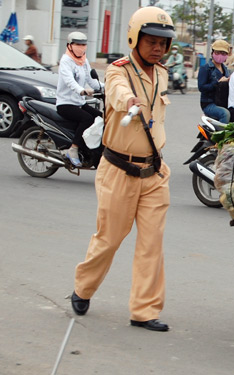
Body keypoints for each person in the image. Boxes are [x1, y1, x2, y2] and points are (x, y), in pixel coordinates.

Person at [70, 6, 176, 332]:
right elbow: (117, 91)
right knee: (109, 239)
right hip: (118, 170)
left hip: (154, 172)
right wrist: (129, 101)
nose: (158, 48)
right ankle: (83, 288)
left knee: (151, 243)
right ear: (135, 37)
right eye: (151, 41)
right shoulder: (118, 71)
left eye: (163, 42)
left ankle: (144, 310)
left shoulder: (162, 73)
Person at [56, 31, 103, 167]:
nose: (81, 47)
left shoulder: (84, 61)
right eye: (77, 44)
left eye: (83, 44)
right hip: (66, 103)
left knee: (102, 118)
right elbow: (70, 81)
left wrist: (110, 88)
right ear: (69, 45)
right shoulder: (66, 61)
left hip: (79, 103)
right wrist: (82, 90)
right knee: (87, 119)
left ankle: (92, 149)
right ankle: (74, 149)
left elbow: (93, 82)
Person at [198, 39, 231, 123]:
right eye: (217, 53)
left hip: (222, 102)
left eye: (223, 53)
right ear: (212, 53)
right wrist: (217, 83)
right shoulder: (205, 68)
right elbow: (201, 87)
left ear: (227, 55)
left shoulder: (226, 70)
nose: (220, 55)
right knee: (225, 114)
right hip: (209, 103)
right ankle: (221, 135)